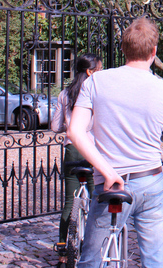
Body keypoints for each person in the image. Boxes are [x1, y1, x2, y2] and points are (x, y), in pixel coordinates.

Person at [68, 17, 163, 268]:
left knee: (91, 260)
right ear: (154, 52)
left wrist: (107, 170)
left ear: (123, 49)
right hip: (151, 179)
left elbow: (75, 132)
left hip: (112, 182)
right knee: (156, 261)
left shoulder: (96, 82)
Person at [50, 53, 102, 268]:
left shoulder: (65, 93)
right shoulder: (97, 93)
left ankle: (63, 248)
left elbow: (55, 127)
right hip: (92, 150)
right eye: (99, 69)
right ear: (90, 72)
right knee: (96, 199)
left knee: (71, 201)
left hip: (72, 149)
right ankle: (93, 247)